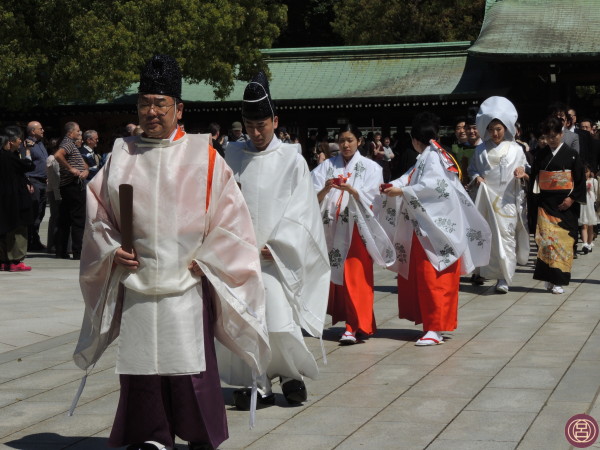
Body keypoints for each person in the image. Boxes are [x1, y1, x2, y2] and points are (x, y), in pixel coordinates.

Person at [71, 54, 270, 450]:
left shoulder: (204, 155)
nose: (151, 112)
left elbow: (231, 217)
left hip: (187, 278)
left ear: (179, 109)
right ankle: (151, 435)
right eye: (144, 103)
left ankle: (198, 435)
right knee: (141, 367)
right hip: (138, 278)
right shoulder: (121, 154)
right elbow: (99, 214)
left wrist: (211, 254)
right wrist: (111, 249)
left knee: (190, 367)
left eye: (160, 104)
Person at [223, 71, 329, 410]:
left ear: (275, 120)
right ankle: (255, 380)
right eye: (249, 127)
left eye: (262, 126)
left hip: (274, 255)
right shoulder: (233, 155)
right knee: (245, 320)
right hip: (241, 254)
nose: (255, 134)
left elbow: (303, 211)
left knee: (279, 319)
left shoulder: (292, 160)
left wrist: (280, 244)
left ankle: (290, 374)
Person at [379, 112, 491, 345]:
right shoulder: (429, 155)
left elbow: (434, 187)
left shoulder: (433, 157)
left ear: (415, 140)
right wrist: (393, 185)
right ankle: (431, 325)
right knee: (426, 277)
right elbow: (409, 179)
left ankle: (436, 328)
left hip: (439, 230)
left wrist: (403, 192)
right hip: (428, 228)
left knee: (435, 278)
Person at [312, 124, 395, 345]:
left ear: (358, 141)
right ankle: (358, 323)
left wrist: (353, 191)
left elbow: (374, 199)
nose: (345, 145)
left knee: (356, 276)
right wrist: (326, 189)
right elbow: (309, 194)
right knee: (340, 277)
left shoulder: (371, 167)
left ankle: (353, 325)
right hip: (333, 228)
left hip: (358, 229)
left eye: (349, 140)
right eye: (341, 141)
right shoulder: (326, 166)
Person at [467, 96, 529, 293]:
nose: (495, 133)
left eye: (499, 129)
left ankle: (505, 277)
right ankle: (493, 274)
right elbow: (473, 169)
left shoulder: (516, 149)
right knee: (491, 238)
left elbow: (525, 167)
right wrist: (477, 177)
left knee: (507, 237)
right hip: (488, 198)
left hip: (508, 199)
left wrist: (522, 172)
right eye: (492, 129)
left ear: (506, 129)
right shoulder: (480, 150)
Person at [531, 117, 585, 294]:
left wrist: (571, 199)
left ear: (562, 134)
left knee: (563, 243)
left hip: (566, 205)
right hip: (546, 204)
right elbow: (534, 179)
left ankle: (559, 280)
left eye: (555, 135)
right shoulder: (540, 154)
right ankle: (549, 277)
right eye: (548, 136)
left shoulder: (571, 154)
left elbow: (579, 180)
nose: (552, 139)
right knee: (547, 242)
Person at [0, 127, 34, 272]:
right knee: (18, 229)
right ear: (10, 141)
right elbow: (28, 166)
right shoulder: (9, 157)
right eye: (18, 138)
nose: (21, 141)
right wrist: (27, 152)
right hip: (16, 199)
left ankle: (3, 260)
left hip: (3, 199)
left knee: (3, 228)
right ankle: (15, 260)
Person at [54, 121, 87, 260]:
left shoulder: (71, 145)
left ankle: (61, 250)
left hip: (70, 185)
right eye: (78, 131)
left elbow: (83, 164)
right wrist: (70, 168)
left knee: (65, 219)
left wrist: (84, 170)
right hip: (72, 185)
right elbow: (58, 155)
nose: (79, 133)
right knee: (78, 219)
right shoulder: (67, 143)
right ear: (70, 132)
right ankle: (78, 251)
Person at [21, 121, 48, 251]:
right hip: (33, 181)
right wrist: (27, 181)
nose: (43, 131)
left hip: (43, 181)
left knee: (41, 211)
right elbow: (25, 164)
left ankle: (34, 238)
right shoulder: (27, 145)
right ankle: (30, 240)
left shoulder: (41, 143)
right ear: (32, 131)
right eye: (40, 129)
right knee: (34, 210)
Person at [579, 164, 598, 254]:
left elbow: (597, 193)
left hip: (591, 203)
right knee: (584, 224)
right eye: (584, 172)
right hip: (583, 204)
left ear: (590, 172)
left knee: (591, 225)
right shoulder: (580, 181)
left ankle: (589, 243)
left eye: (587, 171)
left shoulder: (594, 181)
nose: (586, 174)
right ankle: (585, 243)